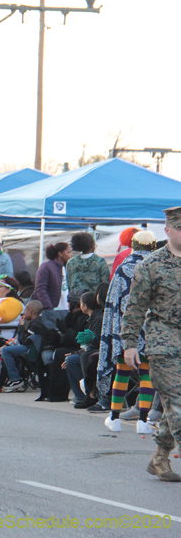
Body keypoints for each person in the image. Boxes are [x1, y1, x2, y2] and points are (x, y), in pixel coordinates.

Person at [120, 206, 181, 483]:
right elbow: (134, 307)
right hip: (163, 339)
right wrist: (129, 343)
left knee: (173, 405)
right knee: (177, 400)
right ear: (167, 230)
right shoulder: (151, 265)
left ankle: (159, 458)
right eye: (179, 227)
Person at [99, 231, 158, 429]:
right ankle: (143, 420)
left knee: (122, 372)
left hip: (127, 328)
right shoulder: (157, 267)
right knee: (146, 374)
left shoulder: (123, 268)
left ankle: (115, 417)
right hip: (150, 328)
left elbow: (113, 304)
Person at [33, 242, 71, 310]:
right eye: (68, 252)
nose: (71, 255)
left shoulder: (68, 267)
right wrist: (49, 307)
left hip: (66, 309)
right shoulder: (46, 267)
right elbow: (40, 289)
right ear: (60, 254)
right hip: (51, 309)